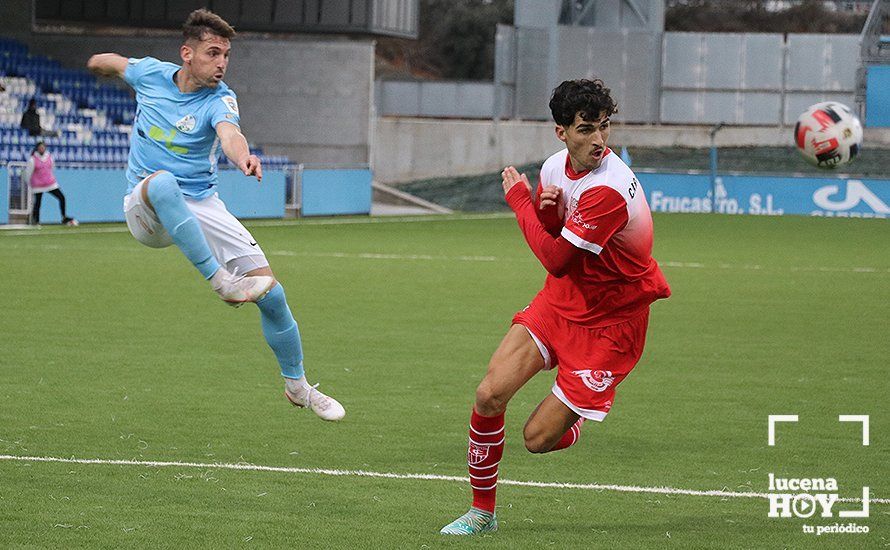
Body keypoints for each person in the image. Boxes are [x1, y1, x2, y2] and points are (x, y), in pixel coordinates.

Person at [85, 8, 344, 421]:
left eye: (226, 54)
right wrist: (101, 65)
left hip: (202, 205)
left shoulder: (220, 99)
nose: (222, 62)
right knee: (164, 182)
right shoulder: (150, 74)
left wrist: (244, 157)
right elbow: (108, 62)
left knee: (271, 293)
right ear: (187, 54)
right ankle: (221, 283)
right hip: (146, 204)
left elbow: (230, 134)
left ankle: (297, 386)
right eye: (213, 52)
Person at [440, 79, 671, 535]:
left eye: (604, 127)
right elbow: (554, 229)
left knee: (536, 440)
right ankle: (481, 514)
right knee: (489, 395)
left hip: (613, 322)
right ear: (560, 132)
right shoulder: (552, 168)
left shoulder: (608, 188)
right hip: (563, 303)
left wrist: (520, 203)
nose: (599, 141)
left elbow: (557, 259)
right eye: (586, 129)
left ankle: (582, 410)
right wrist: (545, 208)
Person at [24, 140, 78, 226]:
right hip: (38, 185)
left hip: (50, 183)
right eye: (40, 147)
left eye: (43, 147)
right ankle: (36, 220)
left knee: (61, 197)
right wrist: (29, 184)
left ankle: (64, 217)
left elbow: (52, 168)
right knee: (37, 203)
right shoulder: (32, 159)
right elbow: (28, 173)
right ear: (37, 149)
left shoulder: (49, 157)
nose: (42, 149)